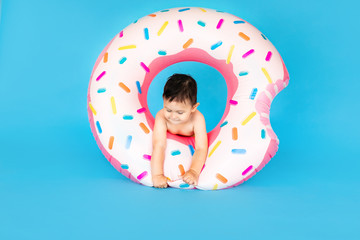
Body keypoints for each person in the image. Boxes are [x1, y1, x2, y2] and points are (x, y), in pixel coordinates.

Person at [151, 74, 208, 188]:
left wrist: (193, 171)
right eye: (168, 109)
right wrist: (157, 175)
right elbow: (159, 145)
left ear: (193, 108)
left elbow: (201, 147)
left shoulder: (197, 118)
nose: (173, 116)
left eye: (180, 112)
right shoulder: (161, 116)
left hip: (189, 146)